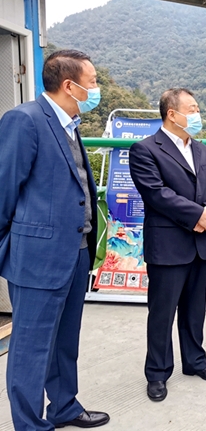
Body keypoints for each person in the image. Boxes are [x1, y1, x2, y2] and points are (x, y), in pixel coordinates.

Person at [0, 50, 110, 429]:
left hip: (76, 252)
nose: (96, 88)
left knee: (65, 340)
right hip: (37, 257)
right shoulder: (25, 120)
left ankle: (63, 406)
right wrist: (9, 250)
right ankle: (30, 424)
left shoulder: (69, 124)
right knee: (31, 348)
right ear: (69, 85)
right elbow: (3, 191)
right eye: (92, 82)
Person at [129, 88, 206, 402]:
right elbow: (156, 193)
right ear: (172, 113)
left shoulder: (202, 150)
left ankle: (195, 360)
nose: (197, 114)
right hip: (168, 244)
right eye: (192, 109)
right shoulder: (145, 150)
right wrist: (197, 215)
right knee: (162, 312)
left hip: (201, 242)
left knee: (195, 309)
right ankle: (157, 373)